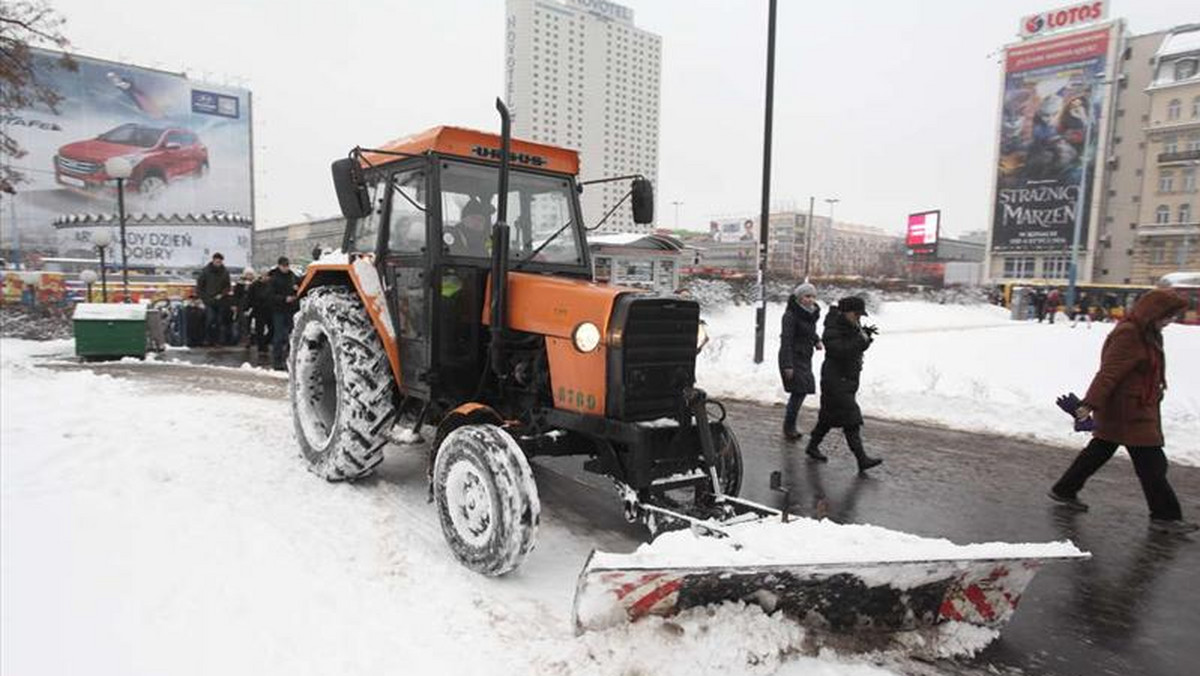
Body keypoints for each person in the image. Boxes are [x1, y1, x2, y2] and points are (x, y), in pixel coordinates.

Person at [1048, 289, 1196, 534]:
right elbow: (1109, 373)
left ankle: (1064, 489)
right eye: (1168, 316)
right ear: (1153, 313)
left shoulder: (1147, 332)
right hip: (1128, 412)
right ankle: (1166, 516)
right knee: (1152, 463)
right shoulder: (1129, 334)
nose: (1170, 321)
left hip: (1135, 407)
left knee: (1099, 451)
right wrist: (1088, 405)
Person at [805, 296, 882, 473]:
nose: (859, 318)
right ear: (846, 312)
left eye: (861, 316)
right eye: (856, 314)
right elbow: (839, 350)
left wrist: (865, 336)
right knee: (851, 419)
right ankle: (862, 459)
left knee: (827, 417)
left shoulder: (851, 325)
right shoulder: (833, 327)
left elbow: (854, 346)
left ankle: (812, 446)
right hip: (835, 380)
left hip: (845, 379)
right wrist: (861, 340)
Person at [779, 282, 823, 441]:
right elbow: (786, 341)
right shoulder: (790, 315)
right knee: (799, 392)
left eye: (813, 296)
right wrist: (787, 365)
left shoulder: (808, 314)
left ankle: (789, 425)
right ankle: (788, 427)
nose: (811, 300)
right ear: (799, 298)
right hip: (793, 357)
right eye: (807, 296)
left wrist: (816, 340)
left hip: (804, 357)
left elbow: (809, 331)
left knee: (801, 391)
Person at [268, 256, 301, 370]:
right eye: (284, 266)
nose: (286, 268)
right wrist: (284, 299)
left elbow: (299, 283)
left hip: (291, 309)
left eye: (287, 265)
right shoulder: (273, 278)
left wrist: (297, 289)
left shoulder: (292, 276)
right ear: (279, 266)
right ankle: (277, 360)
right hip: (278, 310)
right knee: (279, 336)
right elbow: (270, 296)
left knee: (291, 335)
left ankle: (290, 358)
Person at [195, 252, 231, 346]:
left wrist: (222, 294)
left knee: (219, 321)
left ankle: (218, 340)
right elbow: (200, 286)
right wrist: (202, 297)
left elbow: (227, 286)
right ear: (213, 260)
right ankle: (207, 339)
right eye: (216, 261)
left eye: (219, 261)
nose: (218, 263)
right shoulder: (206, 271)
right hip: (208, 300)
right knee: (210, 319)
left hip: (220, 300)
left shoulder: (225, 272)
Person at [247, 268, 273, 355]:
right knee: (259, 329)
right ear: (261, 276)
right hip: (259, 310)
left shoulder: (271, 285)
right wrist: (250, 307)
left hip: (270, 309)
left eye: (267, 275)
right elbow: (250, 297)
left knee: (272, 328)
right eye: (264, 275)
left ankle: (265, 342)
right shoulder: (254, 285)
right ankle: (261, 347)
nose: (266, 277)